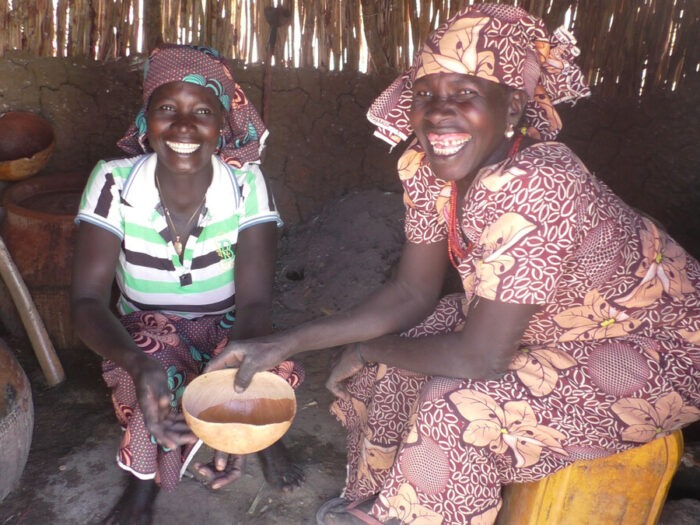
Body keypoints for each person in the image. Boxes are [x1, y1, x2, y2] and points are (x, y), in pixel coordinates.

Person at [205, 4, 700, 525]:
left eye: (465, 95)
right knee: (415, 339)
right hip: (550, 331)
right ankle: (378, 503)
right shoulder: (430, 171)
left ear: (511, 108)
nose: (439, 113)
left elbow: (482, 359)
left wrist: (369, 348)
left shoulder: (542, 182)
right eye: (425, 96)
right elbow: (410, 293)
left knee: (457, 408)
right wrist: (286, 342)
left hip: (663, 349)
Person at [70, 44, 305, 524]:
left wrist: (232, 376)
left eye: (201, 111)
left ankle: (263, 441)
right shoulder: (113, 182)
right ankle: (142, 486)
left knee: (263, 374)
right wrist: (136, 362)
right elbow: (87, 302)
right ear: (146, 119)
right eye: (166, 110)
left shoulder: (246, 185)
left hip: (227, 322)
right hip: (146, 326)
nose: (182, 127)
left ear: (222, 124)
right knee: (152, 379)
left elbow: (257, 301)